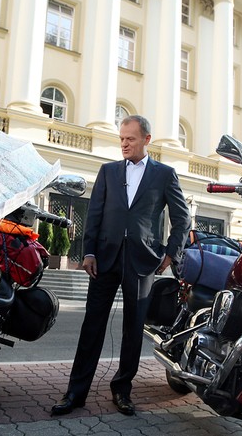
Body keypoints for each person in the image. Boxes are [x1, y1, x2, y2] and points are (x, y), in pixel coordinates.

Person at [52, 115, 191, 416]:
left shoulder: (164, 174)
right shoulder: (108, 171)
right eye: (122, 139)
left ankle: (122, 390)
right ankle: (75, 393)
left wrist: (171, 253)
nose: (124, 144)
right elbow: (94, 214)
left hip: (143, 261)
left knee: (132, 329)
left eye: (130, 139)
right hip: (104, 258)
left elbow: (183, 219)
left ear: (146, 139)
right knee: (92, 326)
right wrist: (88, 252)